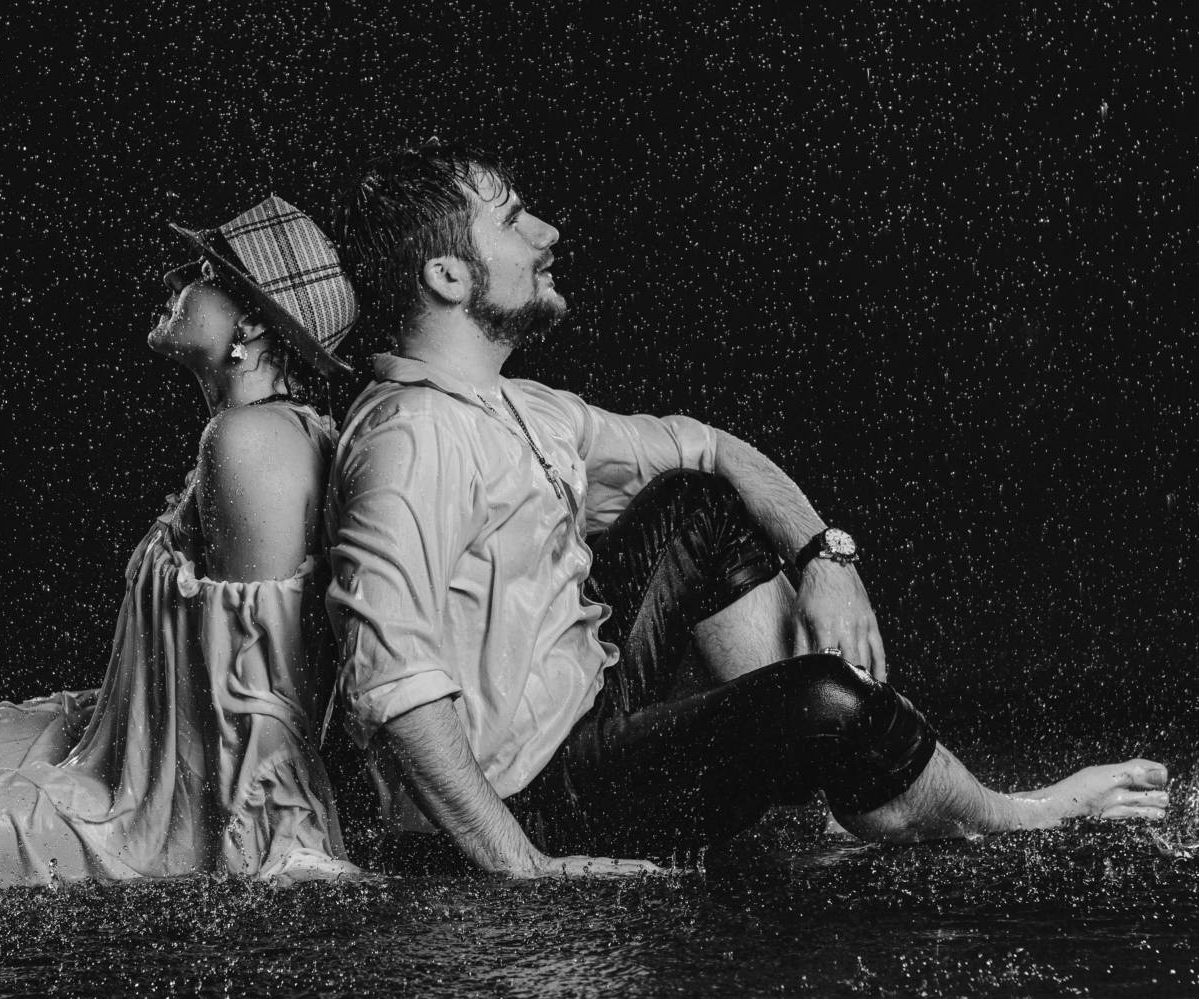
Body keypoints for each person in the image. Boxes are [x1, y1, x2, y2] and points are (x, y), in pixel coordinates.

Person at [324, 140, 1169, 878]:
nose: (547, 233)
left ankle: (836, 788)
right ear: (447, 275)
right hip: (518, 802)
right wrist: (526, 866)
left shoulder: (519, 406)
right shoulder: (411, 442)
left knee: (700, 500)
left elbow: (712, 449)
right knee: (825, 698)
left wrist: (826, 556)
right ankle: (1011, 813)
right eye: (513, 221)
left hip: (577, 714)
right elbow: (393, 683)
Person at [0, 197, 366, 888]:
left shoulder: (251, 441)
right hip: (134, 727)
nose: (175, 279)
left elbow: (256, 689)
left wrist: (280, 850)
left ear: (254, 321)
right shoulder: (256, 430)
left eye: (203, 271)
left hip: (177, 799)